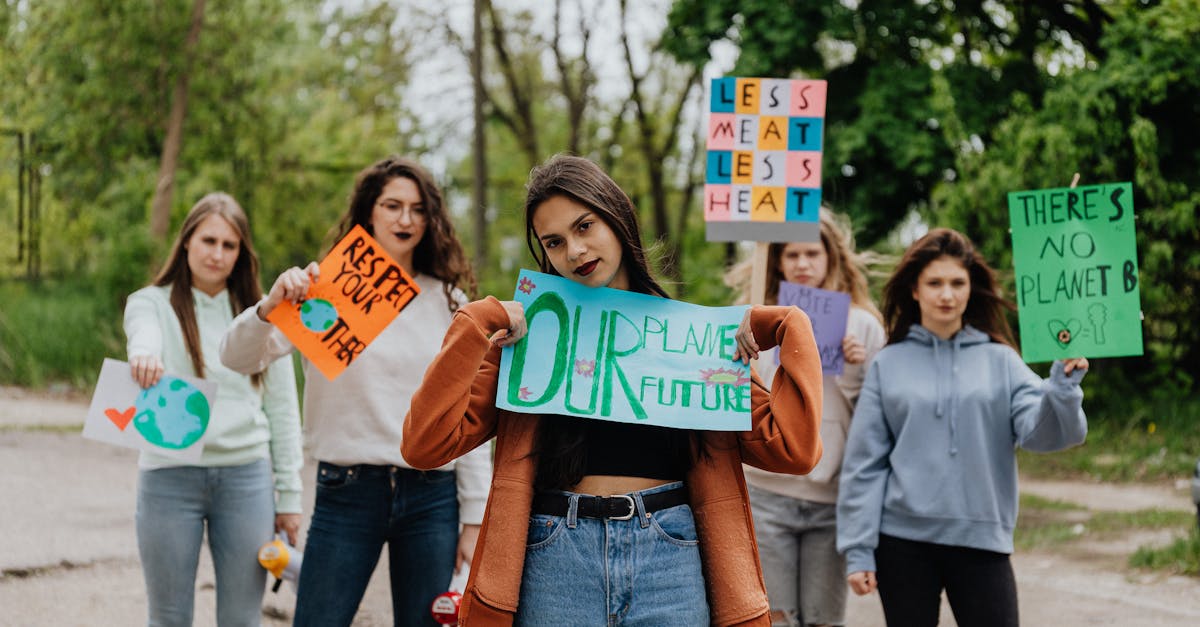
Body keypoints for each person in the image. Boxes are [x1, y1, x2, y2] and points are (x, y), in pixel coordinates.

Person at [400, 154, 825, 626]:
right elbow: (425, 445)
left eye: (585, 226)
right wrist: (476, 323)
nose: (576, 251)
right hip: (556, 556)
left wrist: (788, 326)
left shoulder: (694, 339)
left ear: (617, 218)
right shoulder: (531, 338)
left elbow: (794, 449)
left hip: (670, 555)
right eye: (555, 242)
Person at [219, 157, 492, 626]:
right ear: (370, 212)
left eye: (417, 209)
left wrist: (474, 517)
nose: (405, 219)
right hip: (346, 490)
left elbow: (462, 413)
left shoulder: (451, 303)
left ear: (431, 220)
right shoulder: (327, 292)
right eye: (392, 206)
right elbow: (237, 357)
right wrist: (270, 306)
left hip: (431, 496)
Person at [836, 228, 1089, 627]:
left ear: (971, 289)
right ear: (915, 290)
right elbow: (865, 464)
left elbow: (1044, 433)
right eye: (935, 283)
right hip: (902, 543)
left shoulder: (1001, 360)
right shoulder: (888, 364)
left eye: (957, 283)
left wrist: (1060, 387)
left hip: (982, 540)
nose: (947, 294)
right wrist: (859, 550)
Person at [124, 192, 303, 627]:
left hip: (246, 478)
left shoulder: (265, 314)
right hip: (168, 475)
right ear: (186, 242)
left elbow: (282, 408)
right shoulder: (150, 302)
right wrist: (144, 355)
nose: (217, 254)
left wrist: (290, 497)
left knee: (242, 619)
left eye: (229, 245)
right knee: (168, 617)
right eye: (208, 241)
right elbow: (142, 333)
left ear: (242, 253)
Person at [727, 209, 886, 627]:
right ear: (778, 259)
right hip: (766, 493)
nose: (802, 264)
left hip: (831, 501)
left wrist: (858, 367)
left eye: (812, 253)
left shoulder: (863, 326)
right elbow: (743, 400)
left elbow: (880, 417)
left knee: (822, 621)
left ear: (832, 258)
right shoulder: (752, 321)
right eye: (793, 254)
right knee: (773, 619)